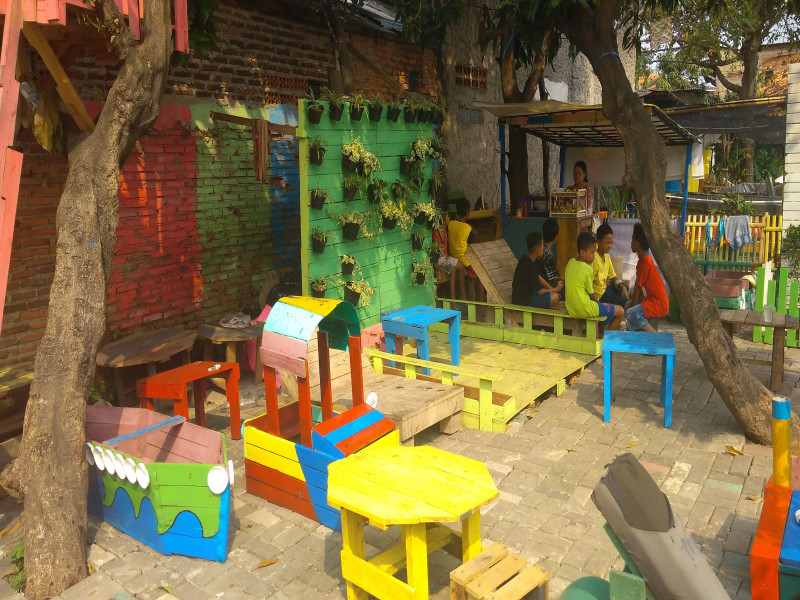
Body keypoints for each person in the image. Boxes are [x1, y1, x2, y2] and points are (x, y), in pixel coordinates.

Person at [565, 231, 623, 331]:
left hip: (571, 309)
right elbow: (592, 295)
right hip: (584, 309)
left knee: (600, 313)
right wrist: (599, 305)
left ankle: (600, 334)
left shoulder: (570, 262)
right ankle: (607, 340)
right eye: (592, 252)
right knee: (620, 311)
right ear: (582, 253)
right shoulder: (587, 269)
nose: (594, 256)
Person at [626, 223, 669, 332]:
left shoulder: (646, 261)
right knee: (628, 306)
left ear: (637, 243)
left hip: (658, 304)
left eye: (632, 239)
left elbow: (637, 287)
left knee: (630, 312)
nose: (631, 243)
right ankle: (634, 336)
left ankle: (654, 337)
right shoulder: (642, 261)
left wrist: (631, 307)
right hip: (650, 300)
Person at [512, 232, 564, 309]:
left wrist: (551, 288)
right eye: (542, 246)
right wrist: (556, 289)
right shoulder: (529, 266)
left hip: (524, 297)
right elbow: (539, 291)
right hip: (524, 302)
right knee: (555, 297)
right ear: (538, 251)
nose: (543, 249)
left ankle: (553, 305)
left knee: (553, 294)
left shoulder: (525, 259)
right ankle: (553, 306)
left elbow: (537, 276)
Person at [448, 198, 484, 302]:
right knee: (482, 275)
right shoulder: (468, 228)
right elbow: (471, 246)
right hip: (465, 261)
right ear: (468, 212)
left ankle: (471, 297)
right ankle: (480, 303)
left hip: (453, 257)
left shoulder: (450, 224)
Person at [593, 222, 629, 307]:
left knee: (625, 287)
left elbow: (613, 276)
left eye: (611, 243)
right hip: (600, 294)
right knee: (625, 302)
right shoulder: (594, 258)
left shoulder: (607, 256)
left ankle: (618, 299)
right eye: (607, 243)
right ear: (598, 242)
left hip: (606, 289)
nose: (610, 246)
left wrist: (622, 287)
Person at [432, 211, 464, 300]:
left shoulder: (445, 230)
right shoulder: (435, 232)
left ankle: (463, 296)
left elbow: (446, 251)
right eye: (448, 217)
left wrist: (450, 259)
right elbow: (435, 253)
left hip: (445, 258)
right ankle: (453, 300)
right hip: (439, 259)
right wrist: (437, 266)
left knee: (461, 266)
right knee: (453, 269)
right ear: (442, 220)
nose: (449, 218)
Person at [539, 218, 562, 292]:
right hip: (545, 288)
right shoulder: (549, 255)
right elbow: (554, 278)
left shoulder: (539, 249)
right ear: (555, 237)